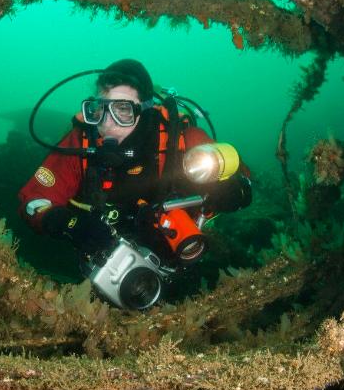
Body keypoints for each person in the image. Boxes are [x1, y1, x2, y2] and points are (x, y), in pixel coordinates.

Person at [18, 59, 252, 281]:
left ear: (145, 111)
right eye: (100, 108)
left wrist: (231, 190)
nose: (107, 123)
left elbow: (242, 176)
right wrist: (69, 224)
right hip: (106, 267)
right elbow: (34, 199)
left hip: (178, 254)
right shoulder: (80, 142)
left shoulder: (180, 140)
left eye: (123, 110)